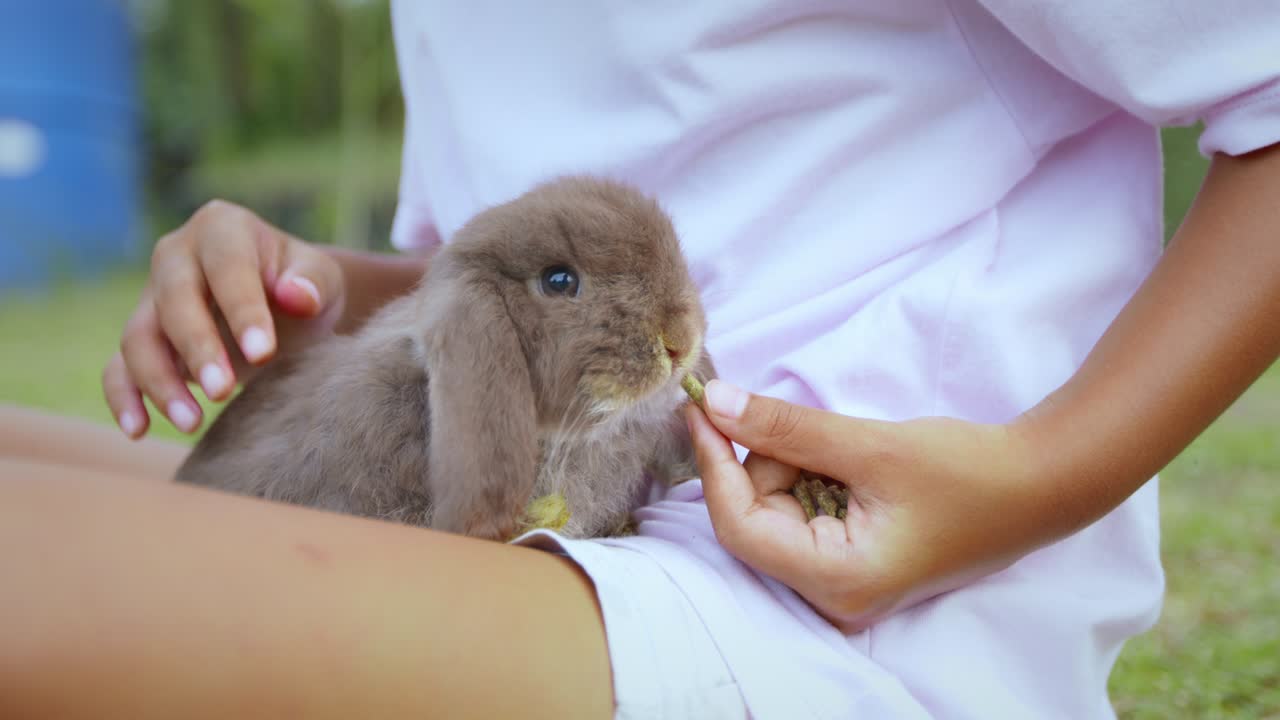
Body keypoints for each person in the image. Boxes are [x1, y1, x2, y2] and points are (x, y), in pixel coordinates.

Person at [2, 2, 1278, 717]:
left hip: (826, 620)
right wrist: (328, 288)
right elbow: (496, 283)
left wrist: (1036, 483)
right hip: (543, 536)